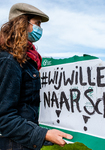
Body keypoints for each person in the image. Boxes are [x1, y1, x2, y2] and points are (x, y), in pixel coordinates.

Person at [0, 3, 73, 150]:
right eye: (37, 23)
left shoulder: (28, 59)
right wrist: (43, 134)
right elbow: (4, 118)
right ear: (22, 23)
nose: (40, 29)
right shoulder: (9, 60)